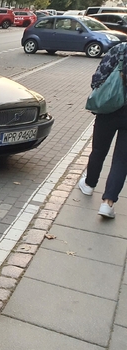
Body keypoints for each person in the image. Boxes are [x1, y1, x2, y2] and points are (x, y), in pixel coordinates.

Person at [79, 42, 127, 219]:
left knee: (99, 150)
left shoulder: (120, 49)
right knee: (122, 161)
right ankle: (108, 203)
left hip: (109, 110)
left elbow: (98, 78)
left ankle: (89, 185)